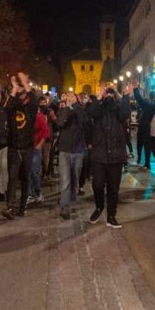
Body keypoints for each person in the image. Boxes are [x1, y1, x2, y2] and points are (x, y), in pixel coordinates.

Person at [86, 82, 133, 228]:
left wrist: (126, 97)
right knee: (98, 184)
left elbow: (125, 114)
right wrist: (99, 97)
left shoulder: (119, 109)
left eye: (112, 94)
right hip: (99, 155)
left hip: (116, 155)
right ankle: (99, 207)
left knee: (114, 188)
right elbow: (91, 112)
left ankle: (111, 216)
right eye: (108, 94)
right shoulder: (98, 109)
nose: (110, 97)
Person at [2, 72, 38, 220]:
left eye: (24, 94)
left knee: (25, 178)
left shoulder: (31, 108)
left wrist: (25, 83)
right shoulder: (12, 108)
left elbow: (34, 101)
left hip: (28, 147)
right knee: (12, 178)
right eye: (20, 94)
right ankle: (9, 206)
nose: (22, 97)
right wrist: (15, 87)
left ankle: (22, 206)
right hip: (14, 148)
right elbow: (6, 107)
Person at [56, 91, 88, 219]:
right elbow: (59, 123)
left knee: (75, 178)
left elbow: (84, 120)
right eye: (67, 97)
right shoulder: (64, 110)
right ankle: (65, 207)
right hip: (64, 150)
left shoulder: (80, 110)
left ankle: (71, 197)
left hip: (78, 150)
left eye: (71, 97)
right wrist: (67, 107)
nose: (68, 98)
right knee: (65, 180)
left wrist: (75, 105)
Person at [135, 87, 155, 187]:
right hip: (154, 138)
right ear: (153, 99)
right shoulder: (149, 108)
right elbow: (140, 100)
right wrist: (136, 89)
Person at [28, 100, 51, 204]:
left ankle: (37, 192)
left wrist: (40, 145)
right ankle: (30, 194)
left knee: (35, 172)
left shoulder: (39, 116)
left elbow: (46, 131)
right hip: (27, 148)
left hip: (35, 147)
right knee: (28, 172)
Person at [134, 88, 155, 170]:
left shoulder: (148, 107)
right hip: (149, 129)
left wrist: (136, 89)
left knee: (145, 146)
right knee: (148, 147)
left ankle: (145, 162)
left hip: (146, 129)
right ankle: (146, 162)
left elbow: (139, 99)